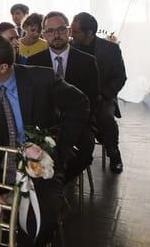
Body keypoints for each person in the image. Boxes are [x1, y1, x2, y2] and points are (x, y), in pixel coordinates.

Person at [0, 35, 90, 245]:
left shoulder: (41, 79)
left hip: (41, 162)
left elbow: (80, 104)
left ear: (3, 67)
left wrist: (58, 145)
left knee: (41, 219)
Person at [27, 11, 97, 181]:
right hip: (44, 125)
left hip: (79, 123)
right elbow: (32, 100)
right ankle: (49, 184)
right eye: (50, 31)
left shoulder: (87, 61)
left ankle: (59, 182)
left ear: (69, 31)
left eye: (60, 29)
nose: (56, 35)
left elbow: (92, 98)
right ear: (44, 34)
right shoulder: (34, 62)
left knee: (84, 151)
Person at [71, 12, 127, 173]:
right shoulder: (71, 48)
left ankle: (113, 152)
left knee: (105, 117)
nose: (71, 35)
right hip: (76, 96)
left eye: (75, 32)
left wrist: (104, 94)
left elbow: (120, 77)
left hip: (102, 96)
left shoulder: (111, 49)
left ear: (89, 33)